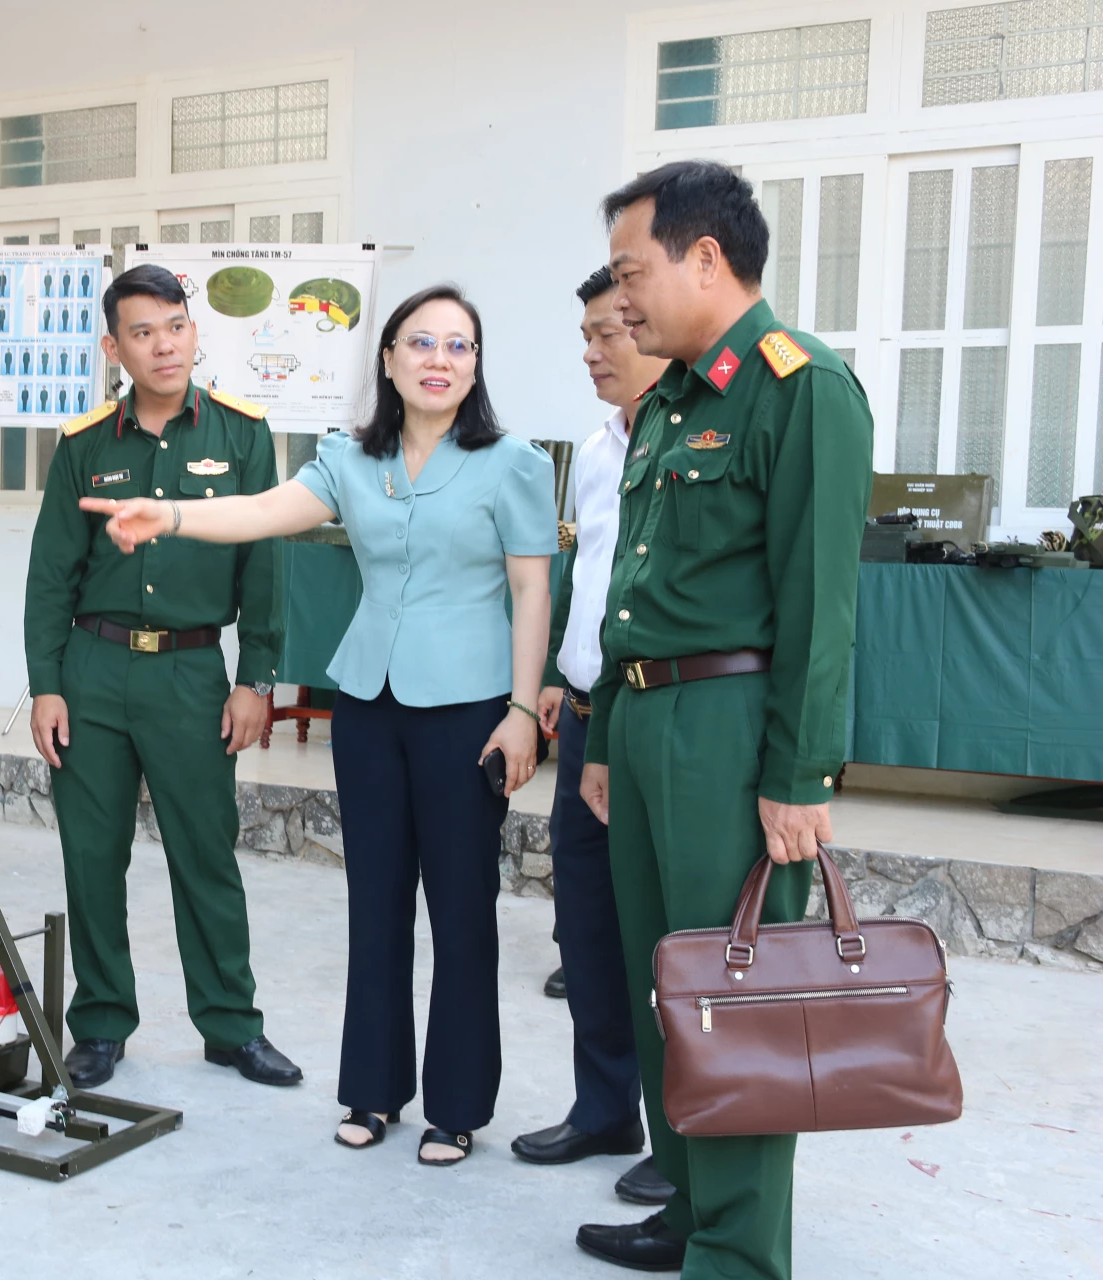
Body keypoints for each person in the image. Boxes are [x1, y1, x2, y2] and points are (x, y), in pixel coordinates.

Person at [80, 284, 557, 1165]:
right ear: (387, 359)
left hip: (470, 713)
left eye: (459, 347)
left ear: (476, 365)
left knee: (461, 914)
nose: (439, 361)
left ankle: (457, 1105)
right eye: (421, 343)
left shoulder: (513, 463)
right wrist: (172, 515)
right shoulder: (348, 460)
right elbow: (264, 513)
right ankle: (372, 1092)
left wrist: (525, 710)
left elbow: (532, 591)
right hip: (370, 706)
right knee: (373, 907)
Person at [574, 162, 873, 1277]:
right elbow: (631, 592)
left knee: (736, 999)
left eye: (634, 272)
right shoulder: (677, 399)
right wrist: (606, 733)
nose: (625, 300)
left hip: (730, 726)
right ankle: (690, 1208)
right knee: (668, 988)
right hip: (647, 725)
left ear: (707, 257)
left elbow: (819, 602)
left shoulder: (802, 387)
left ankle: (741, 1253)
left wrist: (801, 774)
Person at [23, 264, 298, 1091]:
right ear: (115, 347)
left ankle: (230, 1024)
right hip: (94, 672)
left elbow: (264, 562)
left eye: (174, 326)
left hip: (190, 674)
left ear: (194, 332)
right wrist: (46, 683)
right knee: (91, 856)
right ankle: (101, 1023)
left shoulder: (242, 435)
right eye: (142, 331)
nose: (163, 344)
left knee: (205, 853)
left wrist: (257, 677)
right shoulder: (82, 448)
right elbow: (50, 576)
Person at [510, 266, 675, 1208]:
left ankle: (680, 1132)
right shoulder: (598, 444)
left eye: (610, 333)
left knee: (662, 938)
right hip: (581, 715)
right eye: (586, 334)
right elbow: (586, 574)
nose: (591, 352)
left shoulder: (685, 438)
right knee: (587, 926)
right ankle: (605, 1106)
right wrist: (546, 680)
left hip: (649, 719)